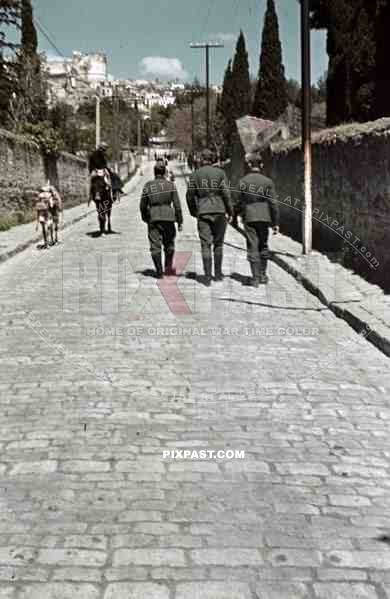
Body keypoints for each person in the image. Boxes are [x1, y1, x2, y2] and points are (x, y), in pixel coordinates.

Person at [186, 148, 233, 286]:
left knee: (205, 244)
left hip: (203, 211)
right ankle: (217, 274)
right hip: (219, 211)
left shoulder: (195, 175)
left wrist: (194, 211)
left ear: (201, 160)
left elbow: (189, 196)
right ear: (212, 159)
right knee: (218, 244)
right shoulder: (220, 173)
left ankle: (207, 276)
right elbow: (226, 193)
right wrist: (230, 212)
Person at [234, 153, 280, 286]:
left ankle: (255, 278)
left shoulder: (243, 181)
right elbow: (273, 203)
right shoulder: (268, 182)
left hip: (249, 217)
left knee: (252, 245)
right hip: (265, 217)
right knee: (263, 244)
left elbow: (238, 201)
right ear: (261, 165)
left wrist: (234, 216)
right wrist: (275, 222)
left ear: (249, 165)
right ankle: (263, 275)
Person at [140, 162, 183, 278]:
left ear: (154, 172)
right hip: (168, 218)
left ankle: (159, 271)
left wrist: (145, 217)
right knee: (169, 245)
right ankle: (168, 269)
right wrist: (180, 221)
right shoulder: (170, 185)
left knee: (155, 245)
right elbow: (177, 206)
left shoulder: (148, 186)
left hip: (153, 218)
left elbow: (143, 205)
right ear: (164, 172)